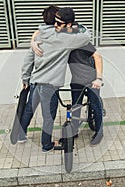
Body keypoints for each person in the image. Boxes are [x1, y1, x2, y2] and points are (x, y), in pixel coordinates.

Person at [19, 6, 90, 153]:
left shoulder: (39, 36)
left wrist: (25, 77)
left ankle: (21, 134)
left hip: (35, 81)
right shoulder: (64, 38)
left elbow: (28, 59)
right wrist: (76, 26)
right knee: (49, 116)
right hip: (49, 85)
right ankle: (46, 145)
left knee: (29, 109)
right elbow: (86, 36)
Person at [32, 21, 104, 146]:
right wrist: (32, 42)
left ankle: (99, 132)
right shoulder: (63, 44)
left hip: (91, 81)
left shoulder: (81, 42)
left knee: (96, 106)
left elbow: (98, 57)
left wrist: (98, 79)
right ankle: (74, 131)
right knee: (75, 106)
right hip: (76, 80)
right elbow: (40, 31)